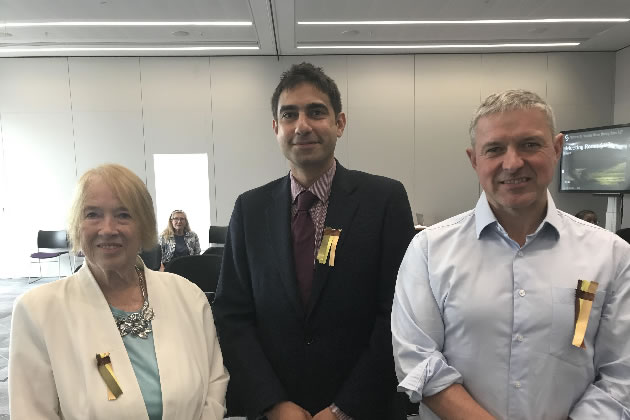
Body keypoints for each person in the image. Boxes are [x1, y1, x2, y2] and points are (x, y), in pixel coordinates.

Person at [392, 89, 630, 419]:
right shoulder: (430, 250)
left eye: (530, 144)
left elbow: (621, 376)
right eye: (494, 149)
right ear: (474, 159)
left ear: (557, 148)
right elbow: (418, 358)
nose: (513, 162)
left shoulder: (612, 255)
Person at [213, 62, 415, 420]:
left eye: (316, 112)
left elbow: (398, 315)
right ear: (276, 129)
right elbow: (233, 317)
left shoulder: (384, 200)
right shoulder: (250, 209)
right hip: (277, 410)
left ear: (340, 123)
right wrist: (272, 403)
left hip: (365, 408)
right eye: (289, 115)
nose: (302, 125)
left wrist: (343, 410)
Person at [9, 164, 228, 419]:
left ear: (144, 226)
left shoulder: (189, 296)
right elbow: (32, 412)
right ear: (76, 225)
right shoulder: (37, 311)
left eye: (124, 215)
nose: (108, 229)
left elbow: (215, 381)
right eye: (92, 214)